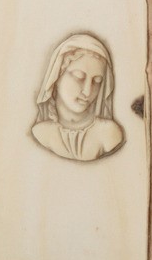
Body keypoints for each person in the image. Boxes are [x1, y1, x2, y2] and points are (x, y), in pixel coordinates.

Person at [28, 31, 126, 162]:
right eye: (78, 77)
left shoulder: (109, 134)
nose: (87, 91)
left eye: (97, 81)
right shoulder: (41, 133)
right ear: (57, 76)